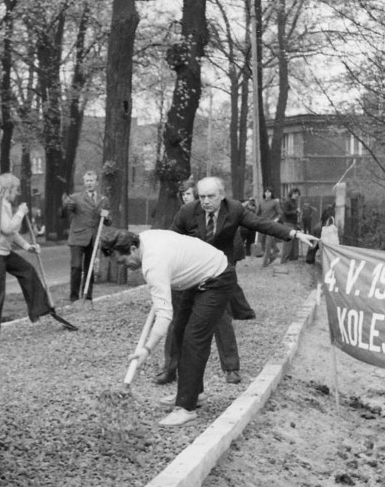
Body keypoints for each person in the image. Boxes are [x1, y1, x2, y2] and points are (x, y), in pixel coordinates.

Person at [107, 225, 316, 427]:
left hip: (216, 278)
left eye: (123, 261)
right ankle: (193, 392)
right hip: (194, 277)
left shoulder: (154, 264)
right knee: (179, 331)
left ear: (133, 248)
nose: (124, 266)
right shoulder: (144, 239)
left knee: (194, 338)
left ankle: (185, 408)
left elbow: (163, 315)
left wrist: (146, 349)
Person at [155, 177, 258, 387]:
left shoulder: (230, 211)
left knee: (222, 319)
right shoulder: (186, 215)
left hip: (215, 275)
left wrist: (292, 233)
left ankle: (231, 368)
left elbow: (254, 228)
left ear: (219, 196)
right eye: (200, 197)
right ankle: (170, 368)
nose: (205, 201)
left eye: (209, 196)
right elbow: (171, 241)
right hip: (187, 275)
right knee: (177, 322)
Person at [0, 173, 78, 342]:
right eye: (15, 190)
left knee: (27, 271)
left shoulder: (5, 204)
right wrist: (21, 213)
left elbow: (12, 234)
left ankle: (39, 310)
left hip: (5, 252)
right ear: (7, 190)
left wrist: (27, 246)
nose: (17, 193)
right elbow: (7, 228)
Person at [61, 170, 110, 303]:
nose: (89, 183)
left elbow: (108, 220)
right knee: (76, 266)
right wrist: (65, 206)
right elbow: (64, 214)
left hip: (93, 238)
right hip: (77, 237)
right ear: (84, 182)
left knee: (90, 269)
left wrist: (105, 216)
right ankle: (74, 297)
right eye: (87, 181)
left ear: (96, 182)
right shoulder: (75, 198)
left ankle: (87, 296)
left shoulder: (103, 200)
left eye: (91, 181)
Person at [280, 188, 302, 262]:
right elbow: (285, 213)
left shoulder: (295, 202)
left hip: (294, 224)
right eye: (296, 194)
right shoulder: (287, 201)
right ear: (292, 193)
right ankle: (284, 260)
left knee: (295, 243)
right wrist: (295, 211)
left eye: (298, 195)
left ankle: (293, 259)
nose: (297, 196)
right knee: (288, 243)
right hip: (288, 224)